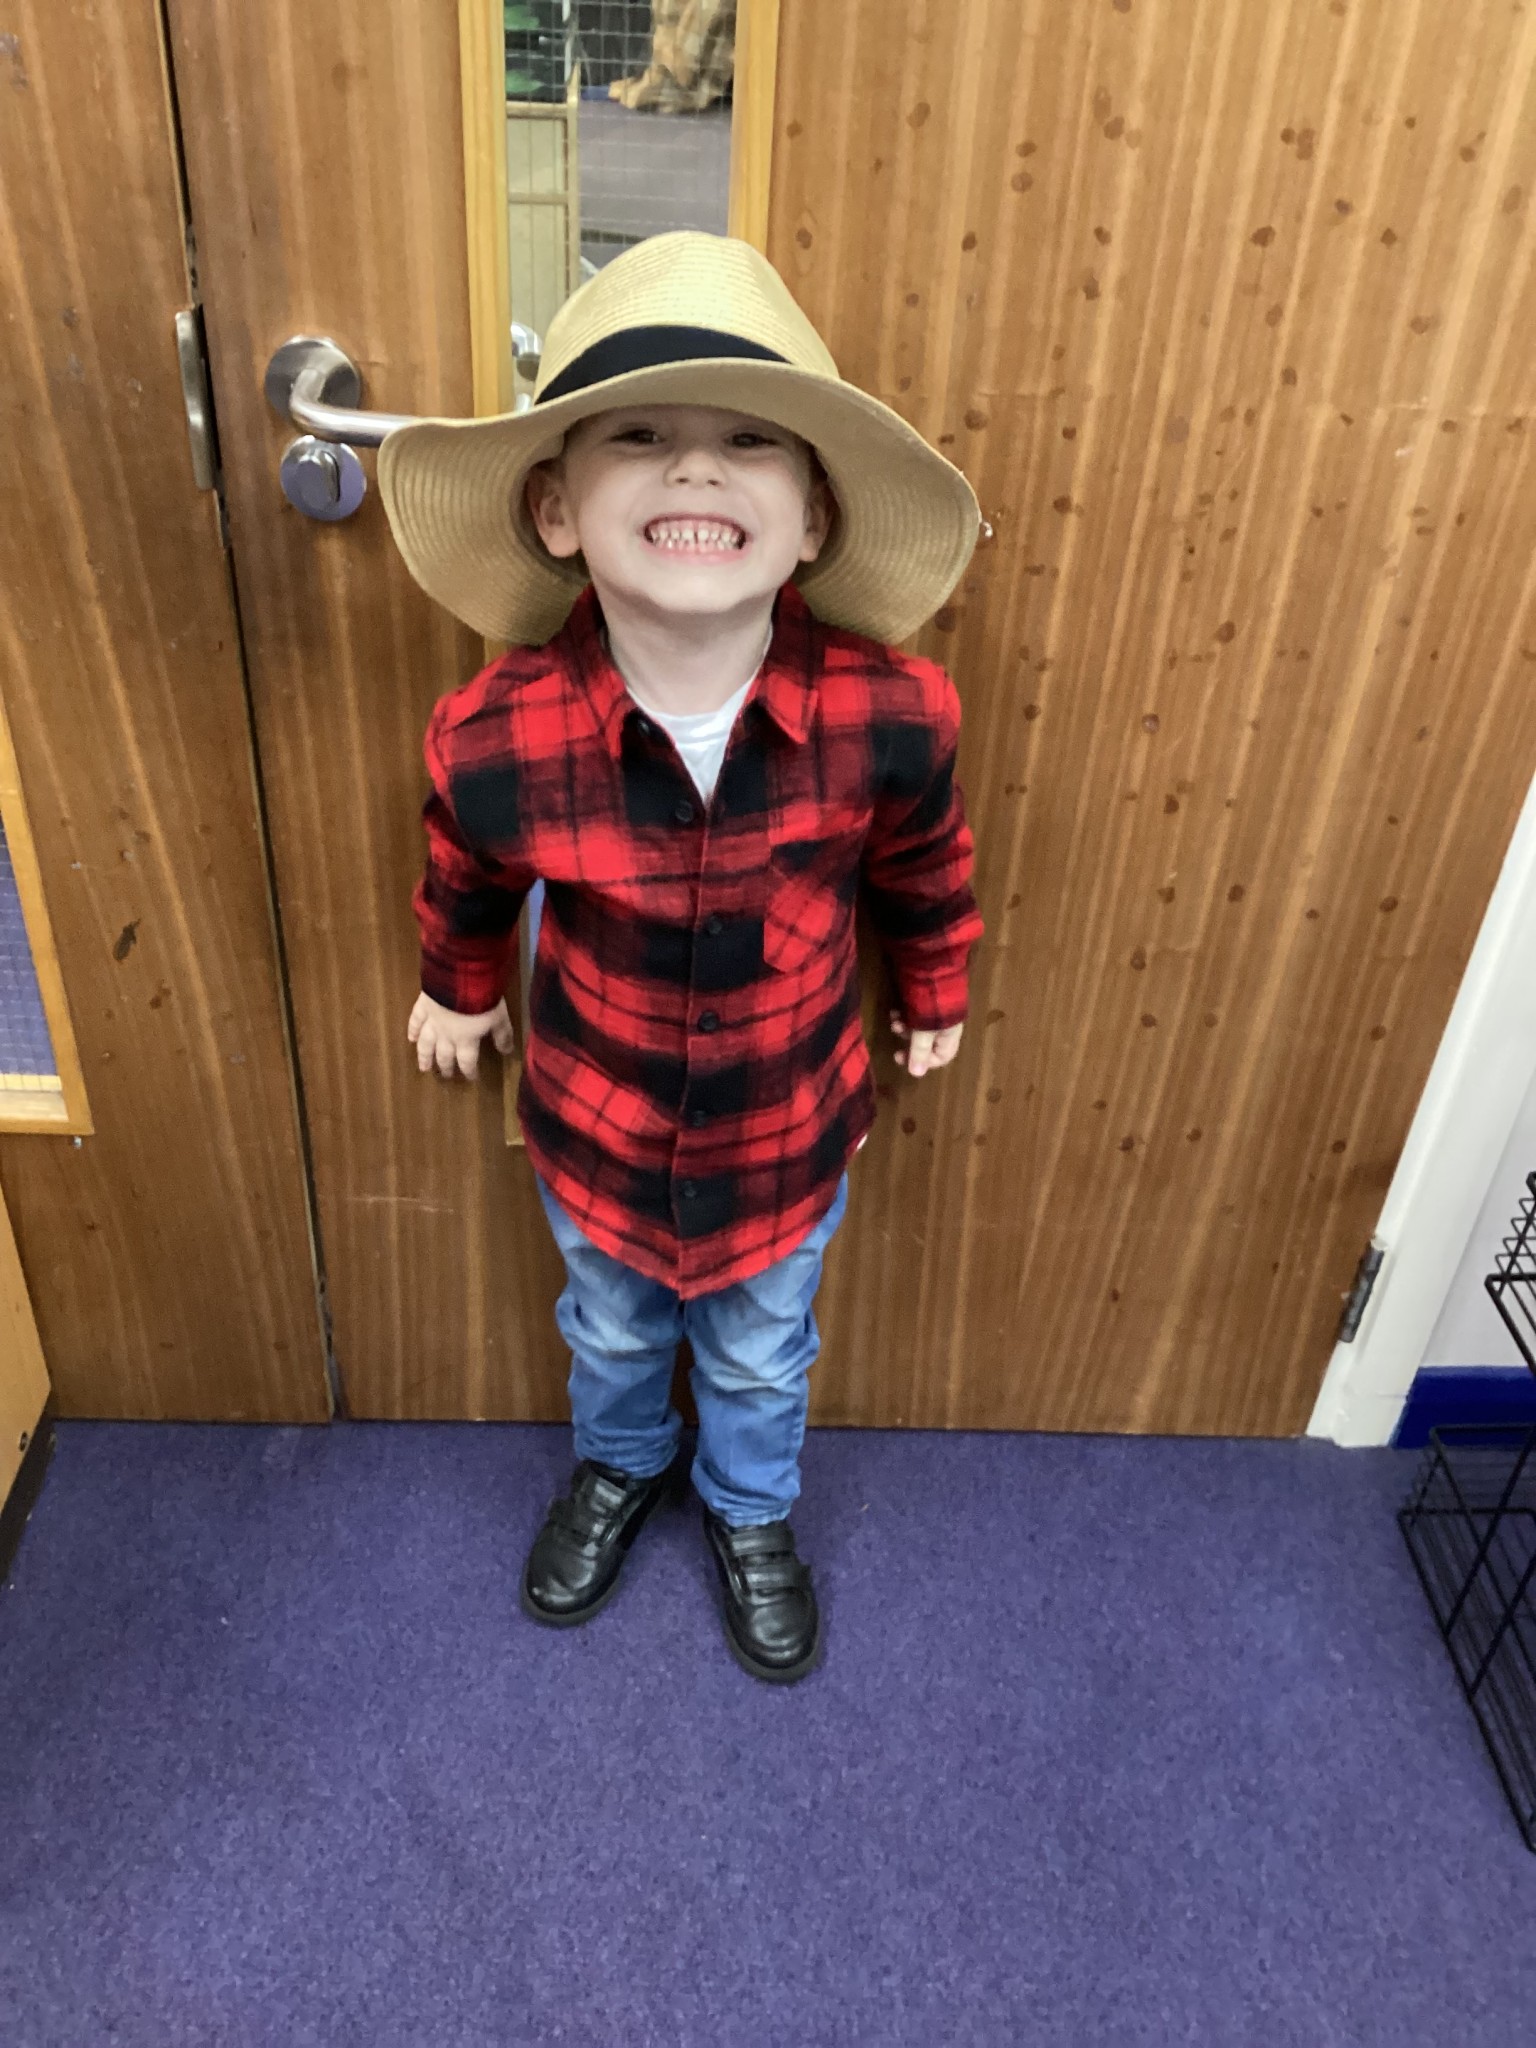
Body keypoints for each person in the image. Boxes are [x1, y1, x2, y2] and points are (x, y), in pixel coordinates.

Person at [377, 230, 983, 1685]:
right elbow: (462, 878)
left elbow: (922, 865)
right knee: (608, 1324)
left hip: (788, 1127)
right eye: (639, 436)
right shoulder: (494, 733)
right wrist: (454, 989)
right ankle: (620, 1467)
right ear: (556, 508)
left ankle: (749, 1509)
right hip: (597, 1120)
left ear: (816, 519)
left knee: (766, 1350)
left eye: (749, 445)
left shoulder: (893, 715)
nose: (696, 471)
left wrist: (939, 983)